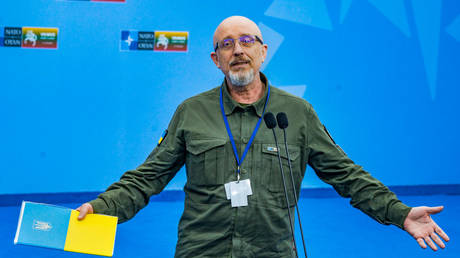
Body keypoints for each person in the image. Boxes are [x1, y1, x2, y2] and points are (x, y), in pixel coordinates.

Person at [77, 16, 449, 257]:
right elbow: (146, 178)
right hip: (202, 251)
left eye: (246, 40)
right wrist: (100, 207)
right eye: (226, 44)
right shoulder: (191, 112)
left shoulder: (298, 114)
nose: (237, 50)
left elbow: (347, 175)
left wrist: (400, 214)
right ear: (215, 60)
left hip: (271, 251)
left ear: (262, 51)